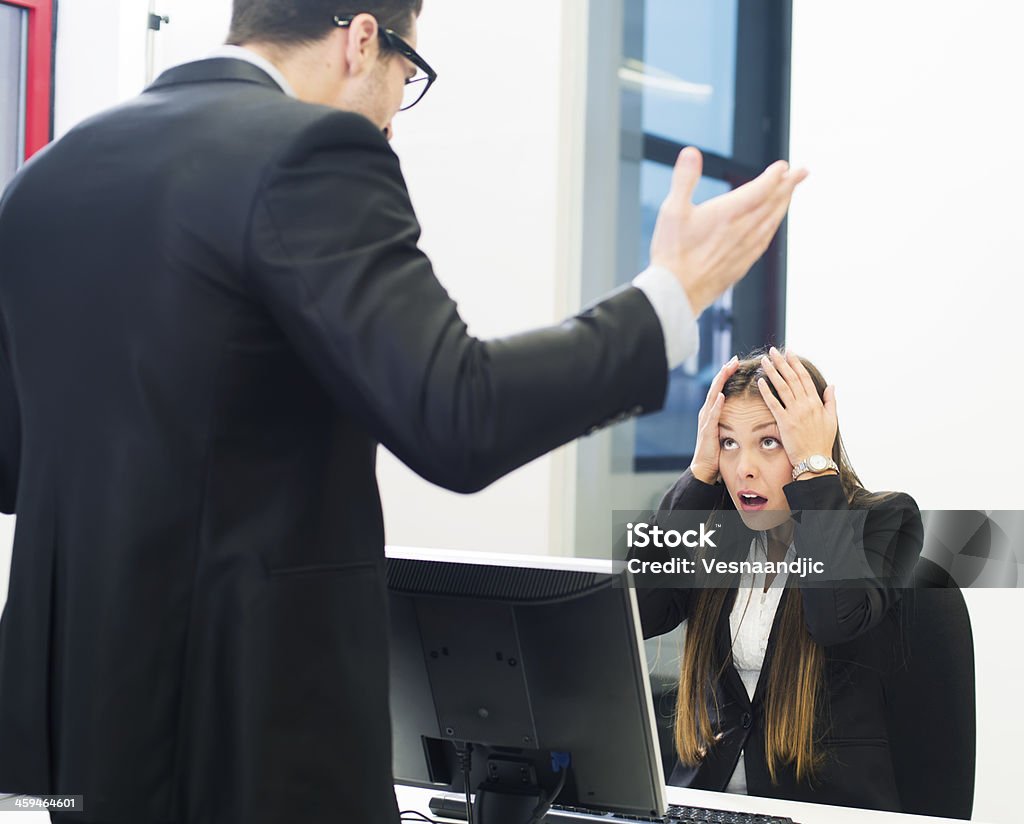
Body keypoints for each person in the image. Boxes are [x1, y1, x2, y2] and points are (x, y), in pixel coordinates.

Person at [0, 2, 807, 822]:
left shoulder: (47, 177)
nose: (396, 113)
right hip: (255, 740)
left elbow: (15, 455)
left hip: (80, 736)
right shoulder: (310, 149)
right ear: (360, 39)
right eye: (408, 76)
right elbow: (458, 413)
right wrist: (666, 302)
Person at [634, 347, 924, 812]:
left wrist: (813, 466)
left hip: (820, 810)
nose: (744, 467)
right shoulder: (715, 530)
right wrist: (699, 473)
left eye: (769, 442)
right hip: (705, 806)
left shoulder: (886, 520)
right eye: (729, 442)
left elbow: (833, 619)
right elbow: (639, 610)